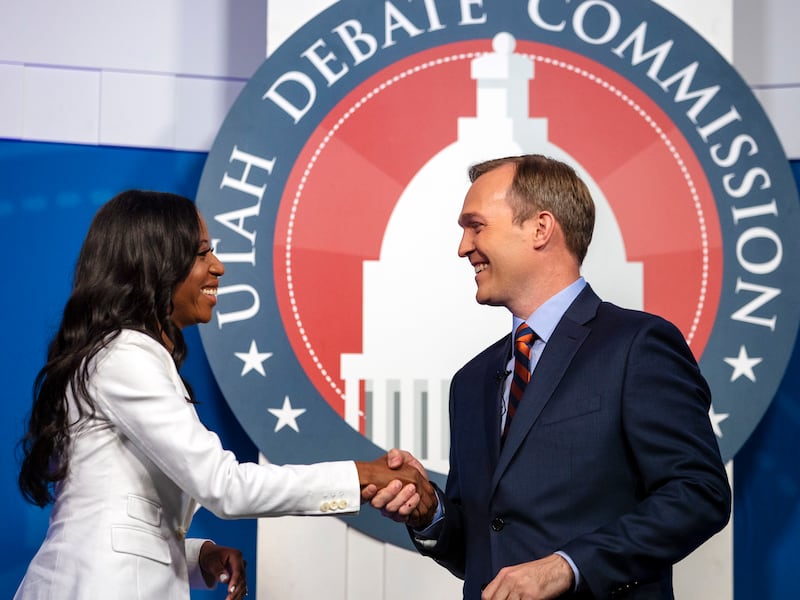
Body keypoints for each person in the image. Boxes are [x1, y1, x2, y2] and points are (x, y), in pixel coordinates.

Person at [15, 190, 433, 600]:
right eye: (202, 253)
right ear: (154, 264)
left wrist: (199, 558)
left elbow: (123, 514)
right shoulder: (125, 355)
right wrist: (361, 475)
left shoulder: (122, 355)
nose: (218, 267)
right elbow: (224, 486)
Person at [372, 155, 732, 599]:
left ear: (540, 229)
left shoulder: (637, 345)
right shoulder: (470, 381)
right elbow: (485, 546)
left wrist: (569, 566)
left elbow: (699, 494)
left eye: (476, 226)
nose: (463, 248)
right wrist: (429, 511)